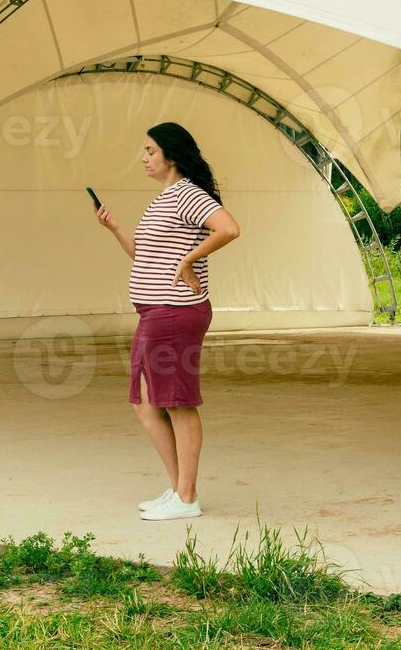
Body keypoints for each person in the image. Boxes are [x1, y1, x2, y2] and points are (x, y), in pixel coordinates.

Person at [95, 121, 240, 520]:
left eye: (149, 151)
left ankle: (187, 497)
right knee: (145, 403)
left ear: (171, 156)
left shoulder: (187, 195)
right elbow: (143, 254)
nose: (143, 158)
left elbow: (228, 228)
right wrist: (115, 228)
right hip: (155, 313)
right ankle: (179, 492)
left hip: (174, 313)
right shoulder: (165, 199)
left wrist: (190, 259)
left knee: (177, 403)